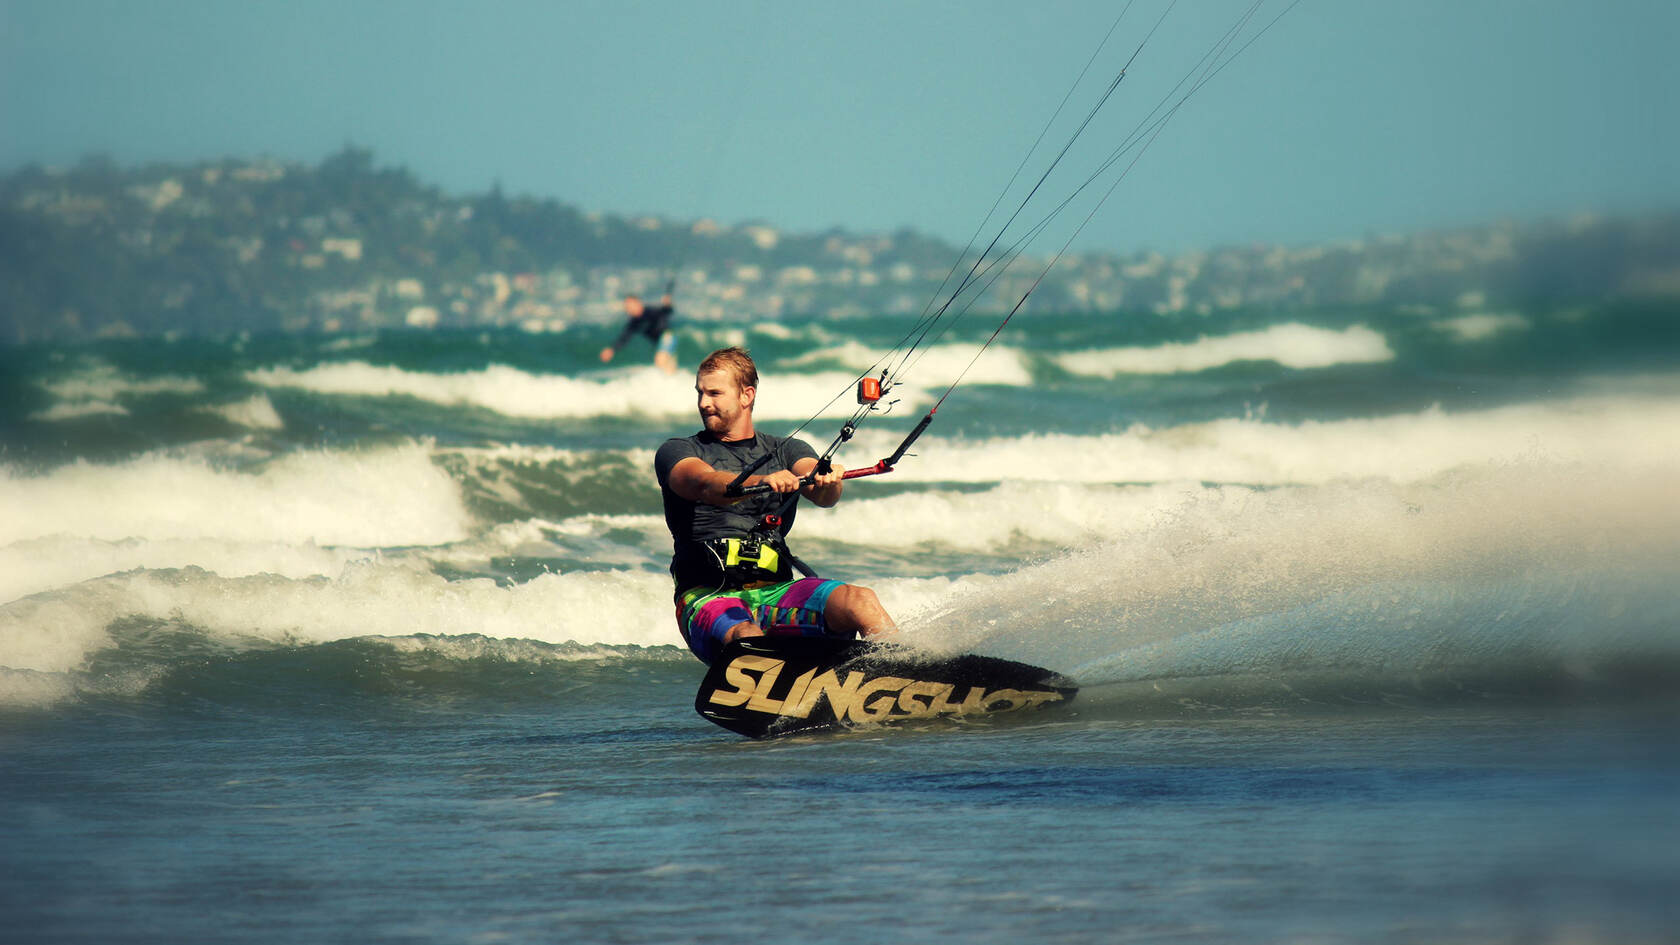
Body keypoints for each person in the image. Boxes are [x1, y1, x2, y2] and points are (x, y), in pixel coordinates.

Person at [654, 346, 897, 665]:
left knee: (861, 601)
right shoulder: (678, 450)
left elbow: (821, 491)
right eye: (700, 393)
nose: (703, 403)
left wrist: (828, 479)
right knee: (748, 635)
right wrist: (761, 481)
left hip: (777, 594)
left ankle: (906, 673)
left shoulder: (786, 449)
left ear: (746, 395)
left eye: (714, 393)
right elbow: (703, 483)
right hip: (708, 597)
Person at [600, 290, 678, 374]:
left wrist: (667, 304)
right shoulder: (634, 322)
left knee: (660, 360)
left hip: (667, 337)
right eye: (626, 306)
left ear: (638, 303)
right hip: (658, 343)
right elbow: (624, 337)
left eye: (630, 305)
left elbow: (666, 312)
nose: (628, 308)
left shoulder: (650, 311)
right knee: (669, 370)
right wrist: (612, 350)